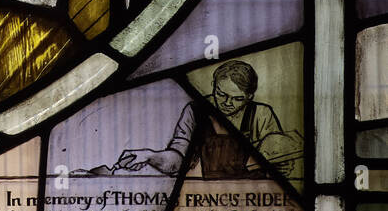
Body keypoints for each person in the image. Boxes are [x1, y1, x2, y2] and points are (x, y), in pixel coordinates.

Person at [114, 60, 297, 178]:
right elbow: (177, 160)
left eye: (237, 98)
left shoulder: (261, 114)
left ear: (250, 96)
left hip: (252, 198)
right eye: (221, 94)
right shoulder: (195, 111)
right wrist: (149, 156)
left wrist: (280, 166)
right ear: (213, 86)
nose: (227, 103)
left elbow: (278, 156)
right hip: (207, 197)